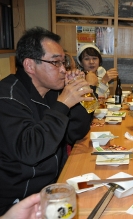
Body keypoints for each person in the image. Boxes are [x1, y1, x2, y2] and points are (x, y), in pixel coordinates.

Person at [0, 27, 96, 215]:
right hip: (19, 203)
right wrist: (63, 104)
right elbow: (30, 151)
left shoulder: (50, 92)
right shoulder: (7, 98)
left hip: (54, 187)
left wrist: (80, 95)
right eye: (55, 63)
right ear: (29, 65)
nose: (63, 70)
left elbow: (73, 133)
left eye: (64, 62)